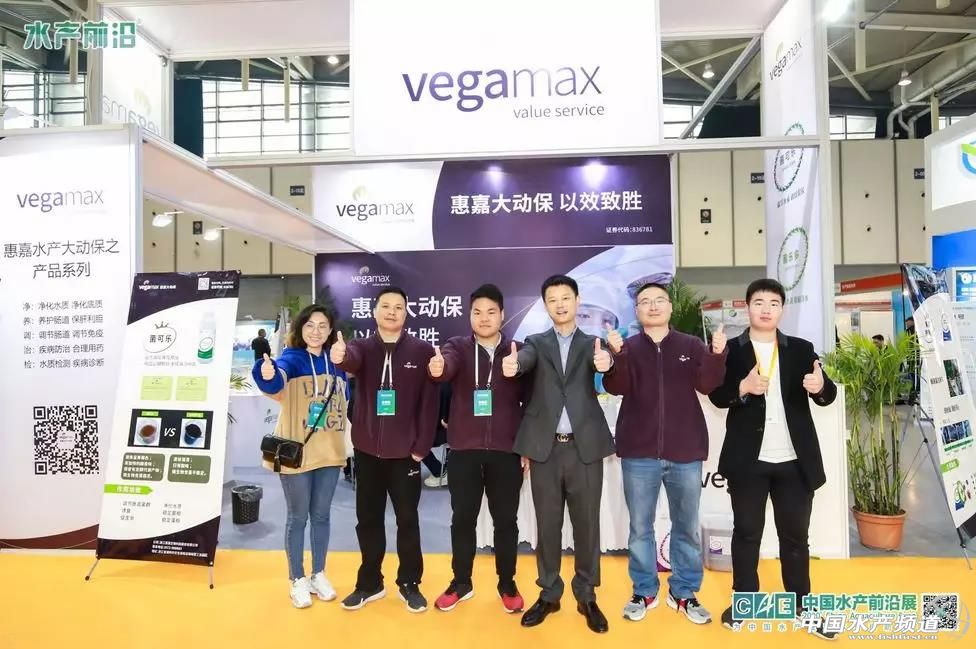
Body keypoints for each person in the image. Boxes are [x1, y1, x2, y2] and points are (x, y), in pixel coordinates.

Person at [708, 278, 838, 640]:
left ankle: (802, 605)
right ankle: (745, 601)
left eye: (773, 303)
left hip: (795, 461)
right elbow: (717, 396)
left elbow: (826, 394)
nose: (766, 309)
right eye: (759, 302)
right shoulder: (732, 350)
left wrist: (821, 387)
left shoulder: (800, 349)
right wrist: (742, 387)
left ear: (782, 309)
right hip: (749, 461)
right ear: (747, 307)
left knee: (795, 538)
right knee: (746, 534)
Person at [602, 282, 728, 625]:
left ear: (670, 308)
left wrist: (717, 355)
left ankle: (684, 592)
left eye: (659, 300)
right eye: (646, 301)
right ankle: (644, 590)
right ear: (637, 311)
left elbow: (708, 385)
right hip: (638, 453)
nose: (653, 306)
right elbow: (617, 386)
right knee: (639, 529)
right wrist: (617, 357)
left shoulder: (691, 345)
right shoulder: (628, 347)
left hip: (685, 451)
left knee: (685, 527)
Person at [502, 274, 616, 634]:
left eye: (565, 297)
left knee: (587, 525)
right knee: (547, 525)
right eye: (552, 299)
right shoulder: (535, 342)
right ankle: (549, 593)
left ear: (577, 301)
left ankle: (586, 595)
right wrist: (515, 365)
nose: (560, 304)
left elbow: (605, 366)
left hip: (585, 449)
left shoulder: (593, 343)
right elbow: (525, 360)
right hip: (545, 450)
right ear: (546, 306)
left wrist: (607, 363)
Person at [331, 287, 439, 613]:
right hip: (367, 453)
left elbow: (429, 403)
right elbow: (350, 360)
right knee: (368, 521)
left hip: (406, 455)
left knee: (408, 521)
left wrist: (421, 448)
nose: (392, 312)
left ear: (406, 313)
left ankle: (410, 583)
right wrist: (341, 356)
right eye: (386, 306)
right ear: (375, 311)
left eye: (398, 307)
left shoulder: (422, 350)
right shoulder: (361, 347)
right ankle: (370, 583)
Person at [428, 283, 528, 614]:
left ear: (502, 314)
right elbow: (447, 365)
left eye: (491, 312)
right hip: (464, 451)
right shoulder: (456, 346)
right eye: (477, 312)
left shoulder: (517, 351)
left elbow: (532, 402)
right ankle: (461, 582)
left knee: (506, 521)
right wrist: (440, 368)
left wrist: (527, 446)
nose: (484, 318)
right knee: (462, 520)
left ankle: (507, 583)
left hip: (506, 452)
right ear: (469, 315)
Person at [251, 305, 349, 609]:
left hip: (330, 453)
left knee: (322, 516)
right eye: (310, 325)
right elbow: (275, 379)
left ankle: (318, 573)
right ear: (300, 329)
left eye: (322, 326)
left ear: (330, 330)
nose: (316, 331)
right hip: (297, 453)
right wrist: (265, 372)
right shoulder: (291, 359)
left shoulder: (337, 363)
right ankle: (297, 578)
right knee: (298, 517)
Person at [422, 383, 452, 487]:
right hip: (451, 429)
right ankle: (447, 470)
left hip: (441, 429)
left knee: (413, 439)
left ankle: (441, 472)